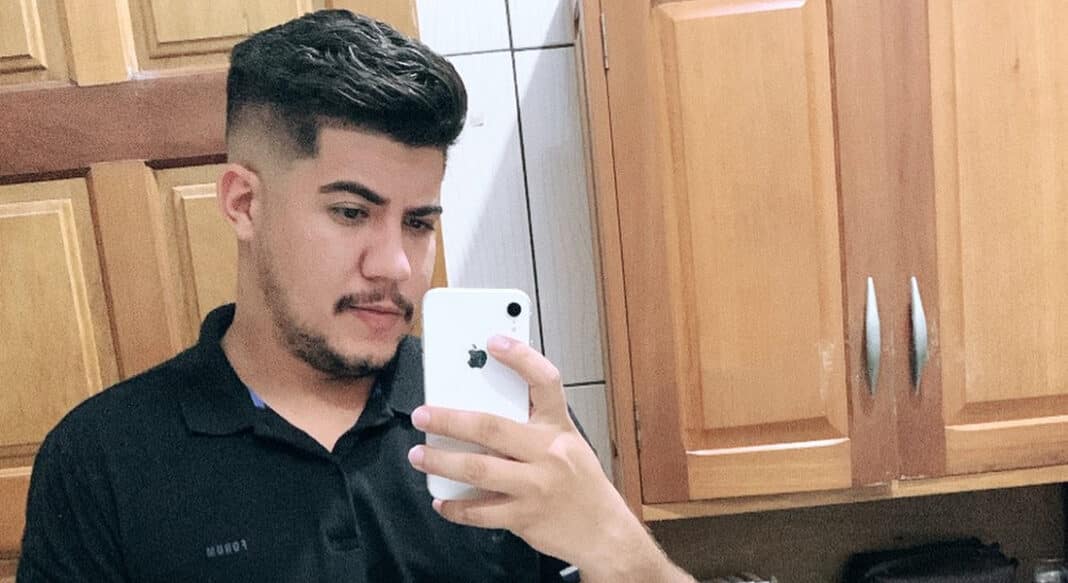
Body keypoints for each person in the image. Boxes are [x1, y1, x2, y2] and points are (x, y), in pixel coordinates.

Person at [17, 9, 695, 583]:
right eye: (350, 212)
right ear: (244, 202)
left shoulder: (504, 422)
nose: (396, 264)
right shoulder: (100, 460)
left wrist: (615, 544)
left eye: (418, 222)